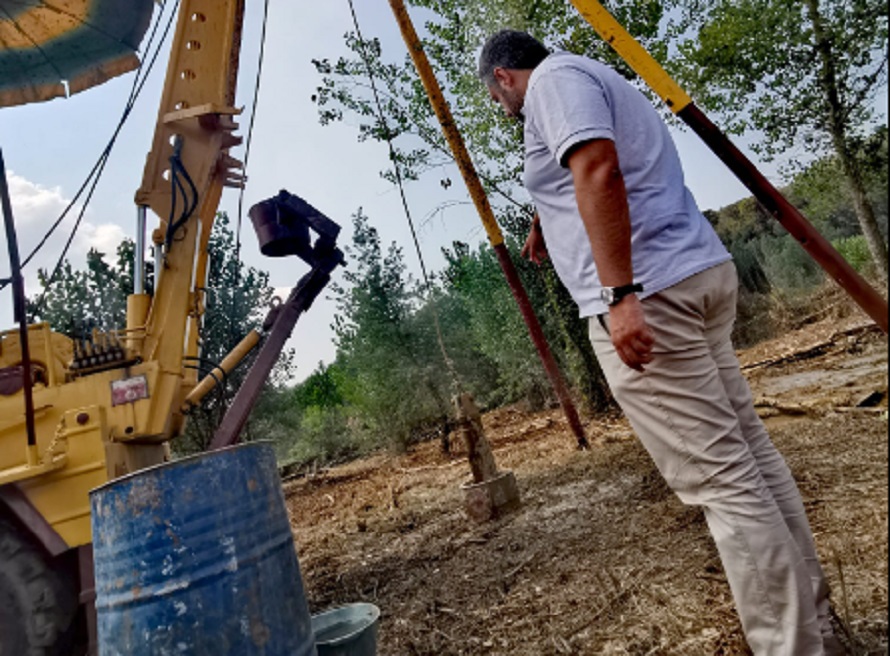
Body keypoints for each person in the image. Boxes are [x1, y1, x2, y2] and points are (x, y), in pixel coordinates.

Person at [478, 29, 844, 656]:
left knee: (723, 482)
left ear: (504, 78)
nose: (502, 108)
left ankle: (793, 648)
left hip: (651, 296)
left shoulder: (550, 85)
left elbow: (596, 165)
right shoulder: (589, 77)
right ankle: (819, 630)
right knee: (748, 458)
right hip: (691, 273)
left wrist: (620, 294)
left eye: (495, 98)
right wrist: (546, 215)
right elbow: (584, 166)